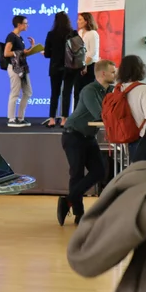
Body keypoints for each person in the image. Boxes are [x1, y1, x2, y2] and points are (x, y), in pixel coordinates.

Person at [59, 59, 116, 226]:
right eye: (113, 72)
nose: (115, 75)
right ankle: (79, 213)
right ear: (103, 73)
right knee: (76, 174)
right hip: (73, 135)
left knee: (99, 172)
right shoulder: (89, 90)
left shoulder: (110, 91)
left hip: (89, 137)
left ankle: (68, 200)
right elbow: (99, 114)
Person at [114, 55, 146, 160]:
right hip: (142, 138)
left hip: (126, 138)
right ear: (141, 69)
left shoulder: (118, 89)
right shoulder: (145, 90)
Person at [43, 11, 78, 127]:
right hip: (70, 68)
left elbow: (47, 54)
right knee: (67, 93)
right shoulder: (73, 33)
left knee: (54, 93)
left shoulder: (50, 34)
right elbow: (78, 51)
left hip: (55, 67)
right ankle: (64, 119)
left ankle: (52, 119)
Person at [4, 15, 35, 128]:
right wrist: (18, 52)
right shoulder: (11, 37)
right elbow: (6, 53)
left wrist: (32, 47)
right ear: (19, 24)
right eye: (25, 23)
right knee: (15, 93)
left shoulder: (19, 37)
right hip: (14, 68)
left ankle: (21, 117)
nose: (27, 25)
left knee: (28, 92)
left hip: (23, 67)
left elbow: (23, 53)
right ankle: (11, 118)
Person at [74, 12, 100, 107]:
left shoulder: (93, 33)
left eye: (80, 20)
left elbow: (92, 52)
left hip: (90, 66)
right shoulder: (80, 33)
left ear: (86, 21)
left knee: (87, 92)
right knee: (77, 92)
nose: (78, 22)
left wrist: (85, 65)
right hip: (79, 65)